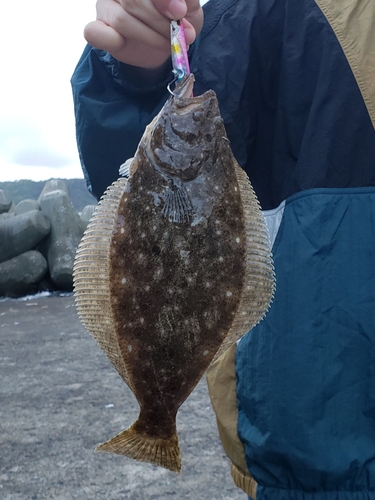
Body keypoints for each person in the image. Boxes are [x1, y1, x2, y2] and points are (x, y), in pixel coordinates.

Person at [71, 0, 375, 498]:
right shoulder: (258, 19)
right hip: (312, 459)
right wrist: (137, 70)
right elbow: (114, 153)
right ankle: (156, 413)